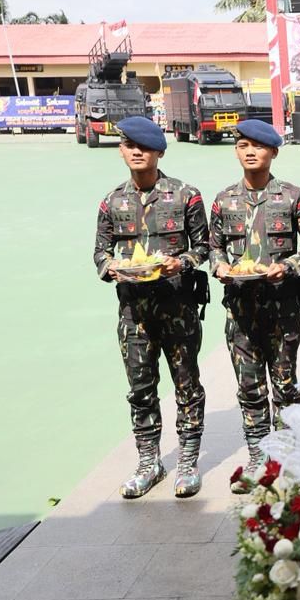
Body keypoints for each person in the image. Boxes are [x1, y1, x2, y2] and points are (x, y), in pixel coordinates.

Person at [91, 117, 209, 499]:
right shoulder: (112, 201)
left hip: (178, 308)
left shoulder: (185, 195)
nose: (137, 152)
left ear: (159, 151)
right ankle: (149, 463)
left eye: (144, 146)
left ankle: (188, 461)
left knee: (186, 386)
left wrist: (181, 262)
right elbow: (100, 253)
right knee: (140, 390)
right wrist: (111, 268)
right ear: (121, 151)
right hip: (134, 314)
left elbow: (204, 247)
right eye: (129, 145)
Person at [211, 120, 300, 491]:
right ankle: (258, 455)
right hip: (240, 311)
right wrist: (219, 266)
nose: (250, 152)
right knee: (250, 388)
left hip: (282, 308)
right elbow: (213, 246)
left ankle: (287, 454)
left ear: (273, 151)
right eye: (243, 145)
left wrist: (288, 266)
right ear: (236, 151)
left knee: (285, 387)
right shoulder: (224, 199)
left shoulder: (292, 196)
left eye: (258, 146)